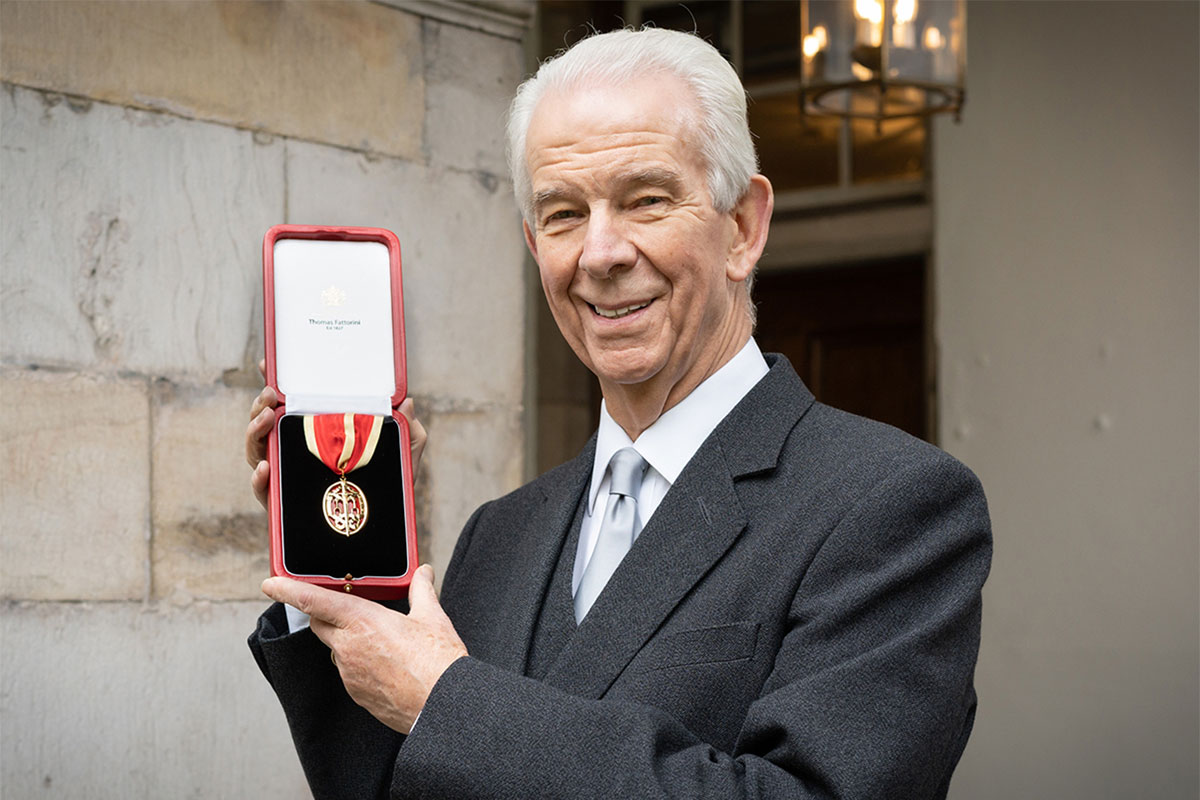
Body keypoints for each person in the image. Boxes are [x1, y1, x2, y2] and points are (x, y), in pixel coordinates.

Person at [245, 28, 991, 799]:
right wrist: (340, 564)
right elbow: (397, 785)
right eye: (564, 214)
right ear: (536, 247)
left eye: (646, 200)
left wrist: (449, 699)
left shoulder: (894, 506)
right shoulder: (501, 533)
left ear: (743, 227)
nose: (600, 253)